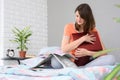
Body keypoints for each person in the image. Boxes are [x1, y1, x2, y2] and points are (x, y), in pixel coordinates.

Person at [51, 3, 116, 69]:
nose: (78, 19)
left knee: (111, 58)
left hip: (87, 61)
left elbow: (104, 53)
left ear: (87, 17)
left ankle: (81, 68)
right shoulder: (69, 27)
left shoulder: (93, 30)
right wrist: (83, 38)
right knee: (54, 61)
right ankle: (79, 68)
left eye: (82, 17)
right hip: (71, 61)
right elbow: (64, 49)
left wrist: (87, 53)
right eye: (77, 16)